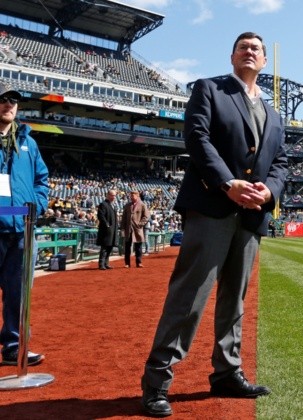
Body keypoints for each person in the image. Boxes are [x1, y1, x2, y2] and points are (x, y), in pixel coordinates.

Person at [141, 32, 287, 417]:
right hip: (212, 206)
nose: (251, 51)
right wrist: (228, 183)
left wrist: (268, 193)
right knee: (190, 296)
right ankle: (157, 381)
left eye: (257, 48)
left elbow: (282, 163)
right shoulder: (210, 89)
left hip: (252, 213)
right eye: (244, 46)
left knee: (234, 300)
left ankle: (227, 371)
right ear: (232, 55)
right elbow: (197, 136)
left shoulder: (274, 114)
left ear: (264, 62)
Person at [0, 82, 49, 366]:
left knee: (19, 294)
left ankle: (14, 347)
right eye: (4, 99)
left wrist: (37, 206)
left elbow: (41, 180)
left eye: (14, 101)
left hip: (22, 229)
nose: (9, 104)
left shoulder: (28, 142)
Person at [120, 190, 149, 268]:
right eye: (130, 196)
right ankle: (127, 263)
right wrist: (122, 228)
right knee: (127, 247)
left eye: (133, 196)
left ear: (137, 196)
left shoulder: (143, 205)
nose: (131, 197)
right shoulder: (127, 205)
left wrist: (140, 224)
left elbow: (146, 217)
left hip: (137, 229)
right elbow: (123, 218)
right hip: (128, 229)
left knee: (138, 247)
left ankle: (138, 262)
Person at [96, 189, 118, 270]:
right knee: (105, 247)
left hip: (113, 229)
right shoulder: (103, 204)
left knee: (110, 247)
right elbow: (101, 216)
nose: (114, 197)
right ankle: (101, 264)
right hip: (106, 230)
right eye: (112, 195)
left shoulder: (113, 205)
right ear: (108, 195)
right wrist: (107, 225)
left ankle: (106, 263)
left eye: (115, 195)